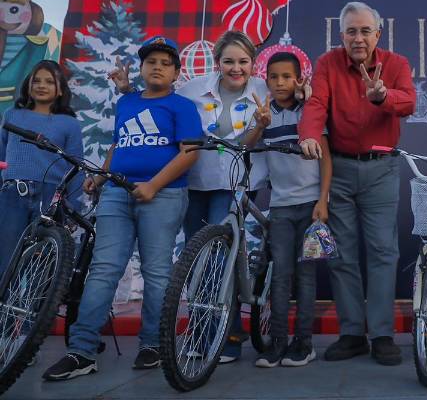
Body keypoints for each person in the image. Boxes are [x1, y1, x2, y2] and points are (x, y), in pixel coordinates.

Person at [109, 30, 279, 362]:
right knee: (197, 257)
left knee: (216, 257)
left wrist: (292, 101)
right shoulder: (193, 90)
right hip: (197, 181)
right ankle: (210, 329)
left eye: (243, 61)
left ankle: (217, 337)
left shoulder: (264, 91)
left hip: (237, 182)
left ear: (253, 64)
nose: (236, 68)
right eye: (228, 61)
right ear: (217, 63)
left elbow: (293, 98)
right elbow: (159, 103)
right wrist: (127, 90)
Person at [43, 36, 202, 380]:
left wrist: (154, 185)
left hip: (163, 195)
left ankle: (153, 345)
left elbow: (190, 152)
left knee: (157, 272)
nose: (157, 67)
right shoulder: (127, 103)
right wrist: (100, 178)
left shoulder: (183, 106)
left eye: (165, 63)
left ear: (176, 73)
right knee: (103, 269)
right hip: (117, 192)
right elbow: (121, 143)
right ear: (142, 68)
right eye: (151, 62)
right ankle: (82, 350)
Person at [299, 1, 415, 366]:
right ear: (342, 35)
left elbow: (409, 102)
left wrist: (383, 96)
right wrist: (309, 134)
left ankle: (381, 335)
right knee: (343, 254)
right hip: (341, 170)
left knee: (383, 252)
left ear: (378, 34)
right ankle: (351, 333)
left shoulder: (396, 64)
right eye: (351, 31)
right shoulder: (328, 63)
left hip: (381, 168)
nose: (359, 38)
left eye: (366, 31)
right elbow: (316, 103)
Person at [248, 52, 331, 368]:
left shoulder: (309, 112)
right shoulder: (264, 114)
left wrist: (323, 201)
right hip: (280, 208)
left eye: (286, 77)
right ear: (266, 80)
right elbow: (248, 145)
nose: (280, 82)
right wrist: (259, 126)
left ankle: (304, 344)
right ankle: (277, 344)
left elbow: (326, 160)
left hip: (311, 207)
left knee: (306, 277)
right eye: (273, 77)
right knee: (281, 275)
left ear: (299, 80)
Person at [0, 61, 83, 275]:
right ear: (28, 85)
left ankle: (33, 308)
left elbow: (76, 166)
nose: (41, 85)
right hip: (12, 194)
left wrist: (73, 205)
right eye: (36, 80)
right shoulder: (12, 115)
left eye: (49, 81)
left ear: (60, 90)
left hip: (49, 198)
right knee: (6, 257)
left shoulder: (69, 124)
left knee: (41, 261)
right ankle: (5, 307)